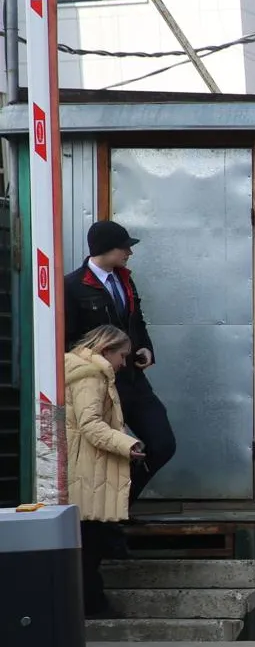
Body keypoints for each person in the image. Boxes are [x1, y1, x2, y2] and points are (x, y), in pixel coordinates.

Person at [66, 220, 174, 502]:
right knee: (109, 451)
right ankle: (110, 516)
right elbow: (68, 341)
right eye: (124, 248)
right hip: (99, 385)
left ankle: (121, 503)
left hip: (134, 381)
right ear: (106, 249)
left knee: (162, 443)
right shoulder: (73, 287)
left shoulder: (125, 280)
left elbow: (136, 321)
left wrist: (146, 349)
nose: (130, 253)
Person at [65, 325, 144, 619]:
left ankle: (92, 605)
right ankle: (92, 607)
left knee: (89, 541)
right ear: (106, 350)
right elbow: (91, 426)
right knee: (90, 546)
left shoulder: (83, 369)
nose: (124, 362)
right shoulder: (91, 377)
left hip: (84, 467)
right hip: (89, 470)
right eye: (122, 355)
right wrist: (128, 444)